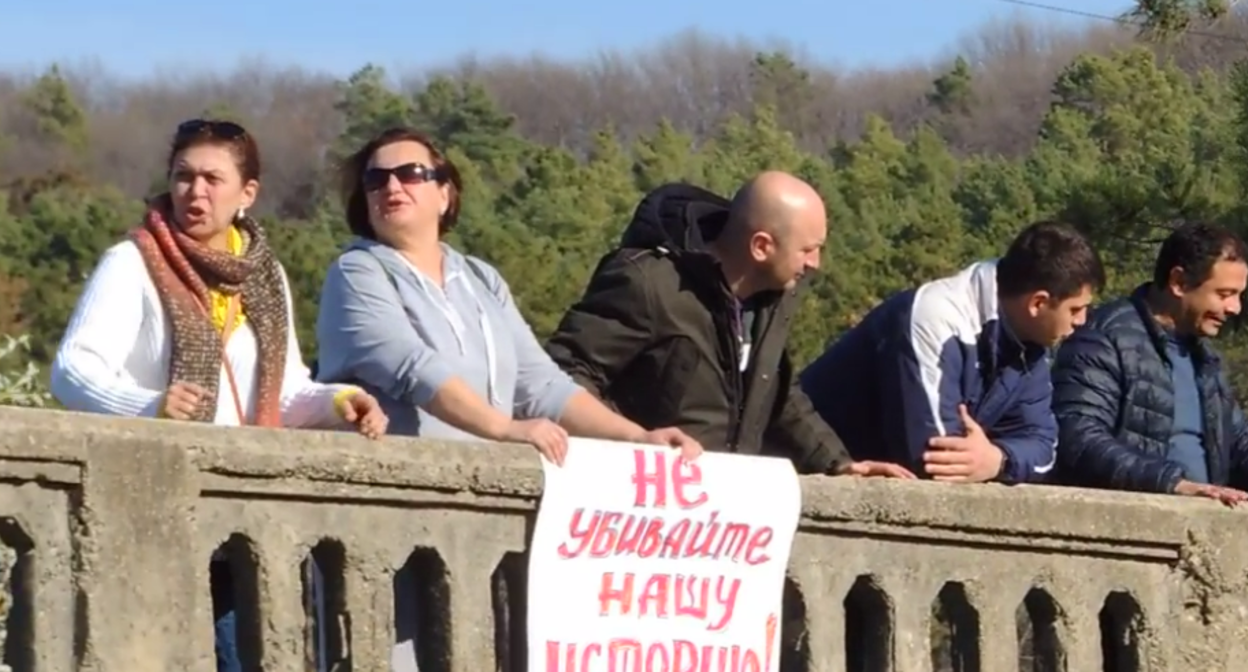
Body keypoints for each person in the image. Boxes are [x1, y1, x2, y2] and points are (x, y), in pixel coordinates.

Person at [49, 118, 387, 672]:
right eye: (183, 176)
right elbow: (72, 371)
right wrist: (149, 405)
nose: (195, 192)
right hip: (151, 511)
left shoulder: (264, 276)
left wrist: (337, 402)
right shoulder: (132, 262)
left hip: (240, 520)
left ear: (247, 193)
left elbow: (283, 390)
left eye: (212, 178)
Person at [314, 126, 703, 462]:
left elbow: (541, 385)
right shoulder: (357, 272)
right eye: (375, 180)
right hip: (393, 493)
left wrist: (636, 438)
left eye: (410, 173)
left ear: (445, 193)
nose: (392, 187)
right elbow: (412, 368)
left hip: (478, 494)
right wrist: (504, 429)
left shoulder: (481, 278)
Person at [544, 172, 913, 478]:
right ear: (761, 246)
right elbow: (562, 376)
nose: (815, 263)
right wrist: (633, 440)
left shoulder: (773, 298)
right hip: (637, 509)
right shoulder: (648, 284)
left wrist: (840, 464)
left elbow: (778, 396)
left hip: (721, 525)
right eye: (807, 249)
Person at [800, 221, 1104, 484]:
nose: (1082, 321)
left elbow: (1044, 445)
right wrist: (994, 460)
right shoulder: (934, 318)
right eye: (1075, 309)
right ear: (1038, 303)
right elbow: (934, 459)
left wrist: (998, 460)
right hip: (808, 479)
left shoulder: (1030, 339)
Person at [1052, 222, 1248, 505]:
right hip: (1131, 533)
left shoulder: (1206, 360)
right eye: (1224, 294)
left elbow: (1237, 443)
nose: (1235, 308)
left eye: (1238, 296)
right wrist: (1172, 483)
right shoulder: (1103, 338)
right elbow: (1078, 437)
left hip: (1203, 530)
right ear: (1179, 282)